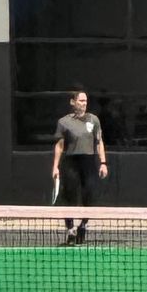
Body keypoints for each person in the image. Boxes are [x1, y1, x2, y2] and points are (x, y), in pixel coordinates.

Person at [51, 86, 108, 244]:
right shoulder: (64, 122)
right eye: (81, 100)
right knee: (69, 196)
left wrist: (103, 163)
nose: (83, 103)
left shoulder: (94, 120)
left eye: (85, 101)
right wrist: (55, 167)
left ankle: (83, 225)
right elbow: (60, 145)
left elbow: (99, 142)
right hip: (70, 161)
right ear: (73, 102)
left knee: (89, 194)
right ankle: (70, 230)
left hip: (88, 162)